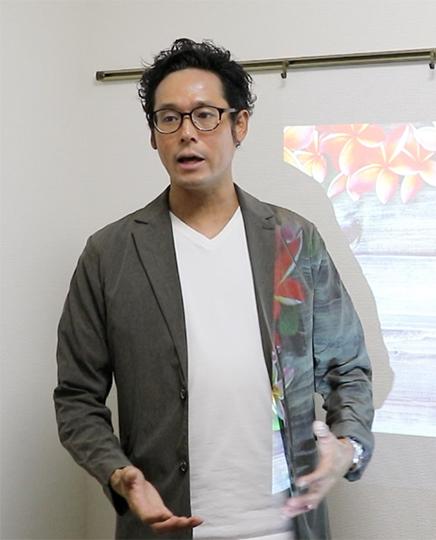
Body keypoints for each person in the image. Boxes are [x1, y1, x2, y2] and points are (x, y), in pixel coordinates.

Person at [54, 38, 374, 540]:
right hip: (165, 527)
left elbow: (347, 369)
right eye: (169, 118)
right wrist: (118, 473)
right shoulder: (109, 254)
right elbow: (76, 397)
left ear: (239, 124)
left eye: (205, 115)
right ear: (153, 134)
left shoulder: (293, 240)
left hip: (286, 528)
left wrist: (346, 447)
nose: (187, 133)